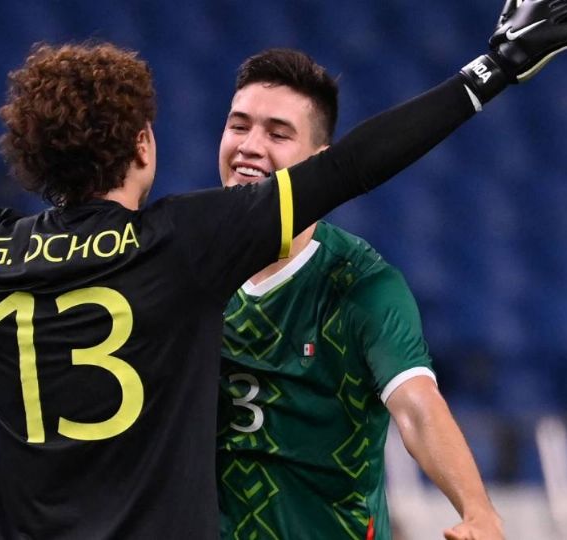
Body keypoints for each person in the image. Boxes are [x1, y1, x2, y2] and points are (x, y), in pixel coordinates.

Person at [0, 2, 567, 537]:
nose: (252, 148)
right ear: (147, 145)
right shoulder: (187, 246)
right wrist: (493, 69)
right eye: (243, 126)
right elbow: (355, 169)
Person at [214, 49, 501, 540]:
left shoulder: (360, 283)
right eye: (239, 126)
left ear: (319, 164)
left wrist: (478, 511)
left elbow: (416, 406)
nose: (250, 146)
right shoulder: (185, 264)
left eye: (278, 133)